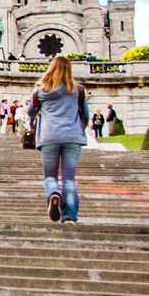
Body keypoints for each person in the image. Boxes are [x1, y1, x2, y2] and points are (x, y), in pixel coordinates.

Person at [29, 59, 91, 225]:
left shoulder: (39, 92)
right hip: (72, 137)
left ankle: (53, 194)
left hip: (49, 137)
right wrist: (79, 128)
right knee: (69, 179)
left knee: (50, 176)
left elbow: (31, 113)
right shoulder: (78, 90)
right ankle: (70, 216)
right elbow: (85, 115)